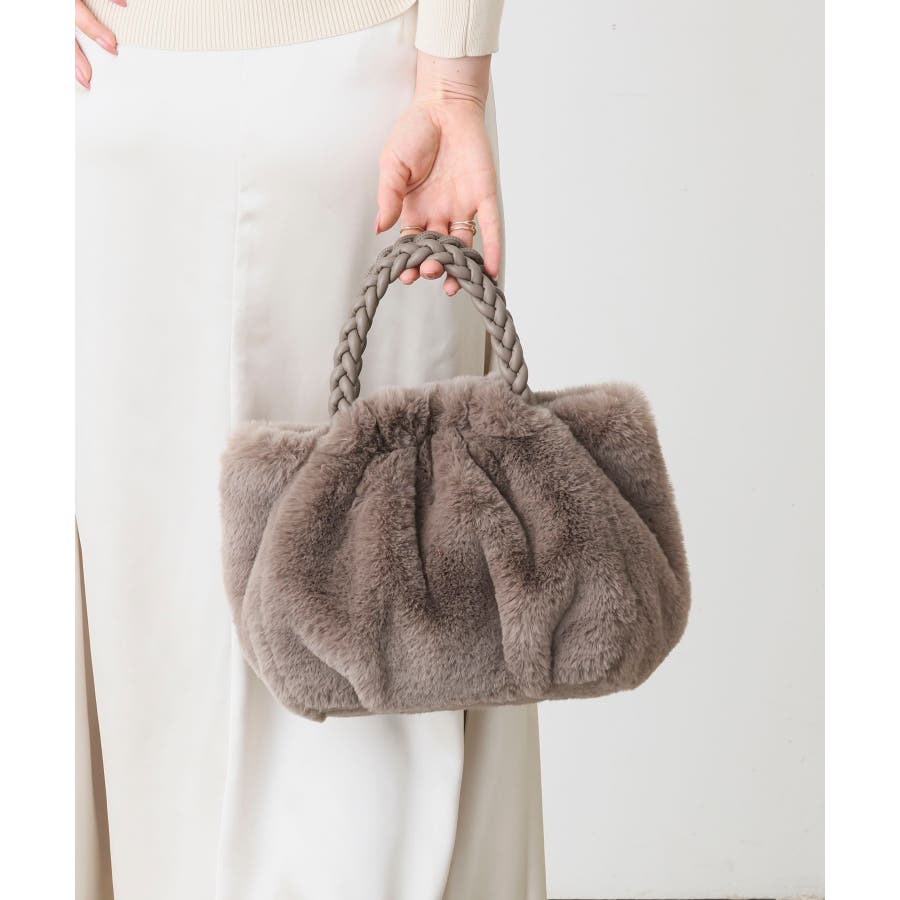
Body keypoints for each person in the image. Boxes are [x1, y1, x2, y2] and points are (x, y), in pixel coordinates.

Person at [75, 1, 546, 898]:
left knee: (147, 631)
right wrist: (453, 83)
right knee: (391, 623)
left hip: (128, 105)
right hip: (362, 108)